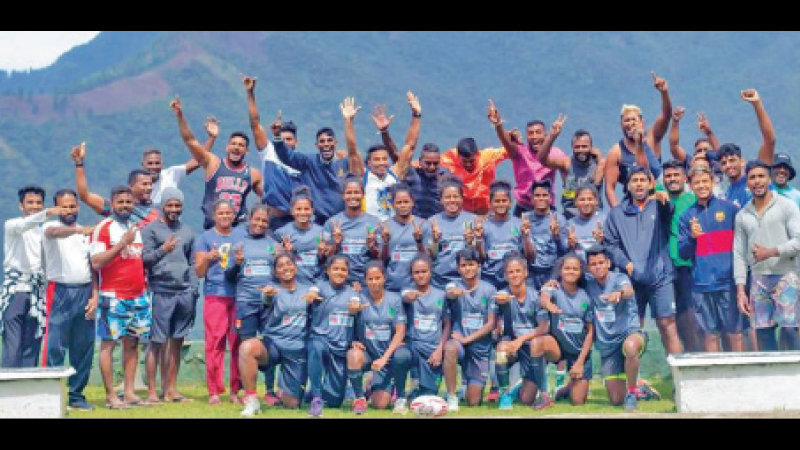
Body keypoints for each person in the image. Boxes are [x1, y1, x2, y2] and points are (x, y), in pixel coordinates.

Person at [604, 166, 683, 357]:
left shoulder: (660, 205)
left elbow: (668, 210)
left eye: (643, 180)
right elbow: (610, 245)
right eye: (634, 180)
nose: (639, 184)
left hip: (660, 277)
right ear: (628, 186)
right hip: (631, 281)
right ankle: (633, 383)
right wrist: (627, 264)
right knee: (632, 329)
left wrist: (663, 199)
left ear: (650, 184)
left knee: (667, 325)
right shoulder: (616, 214)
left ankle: (679, 381)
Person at [90, 186, 150, 409]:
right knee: (108, 345)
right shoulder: (103, 229)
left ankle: (129, 392)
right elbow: (96, 262)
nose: (125, 206)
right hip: (113, 296)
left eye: (128, 202)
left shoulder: (135, 228)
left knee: (133, 344)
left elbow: (137, 260)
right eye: (120, 202)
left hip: (138, 296)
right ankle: (110, 396)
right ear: (112, 204)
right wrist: (122, 243)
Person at [734, 161, 800, 352]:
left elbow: (798, 241)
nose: (757, 181)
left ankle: (795, 377)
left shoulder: (786, 206)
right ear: (747, 183)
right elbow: (738, 254)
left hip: (786, 276)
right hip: (758, 280)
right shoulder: (742, 215)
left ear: (769, 179)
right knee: (763, 333)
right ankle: (771, 380)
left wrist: (770, 252)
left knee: (789, 331)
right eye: (752, 178)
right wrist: (740, 291)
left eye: (761, 176)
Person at [169, 97, 264, 230]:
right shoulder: (213, 163)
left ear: (246, 151)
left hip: (239, 228)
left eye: (241, 145)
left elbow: (268, 199)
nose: (236, 147)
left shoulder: (253, 173)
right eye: (233, 144)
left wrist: (258, 221)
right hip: (212, 227)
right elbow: (191, 141)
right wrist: (180, 115)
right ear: (227, 147)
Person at [677, 166, 745, 352]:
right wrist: (692, 237)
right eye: (696, 182)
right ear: (690, 186)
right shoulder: (686, 217)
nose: (701, 186)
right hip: (702, 284)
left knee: (735, 332)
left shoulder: (731, 210)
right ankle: (716, 380)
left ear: (713, 182)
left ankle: (738, 375)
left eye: (705, 181)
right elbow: (683, 253)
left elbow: (741, 246)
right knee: (710, 333)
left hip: (728, 282)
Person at [41, 189, 96, 410]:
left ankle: (75, 395)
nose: (69, 210)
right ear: (56, 209)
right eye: (64, 206)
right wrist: (81, 230)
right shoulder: (48, 227)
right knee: (55, 346)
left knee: (83, 346)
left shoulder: (86, 235)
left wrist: (95, 294)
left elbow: (94, 266)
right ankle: (49, 395)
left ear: (78, 207)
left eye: (72, 206)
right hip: (59, 291)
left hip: (84, 291)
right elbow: (56, 232)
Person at [141, 187, 198, 403]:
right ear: (162, 206)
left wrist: (193, 288)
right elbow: (144, 260)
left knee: (177, 342)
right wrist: (163, 249)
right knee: (156, 342)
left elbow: (192, 262)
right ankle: (153, 392)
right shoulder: (151, 230)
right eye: (170, 205)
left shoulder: (187, 231)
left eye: (178, 205)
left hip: (184, 291)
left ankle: (171, 389)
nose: (174, 209)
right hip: (161, 290)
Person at [238, 254, 313, 416]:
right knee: (247, 347)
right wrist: (268, 295)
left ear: (296, 267)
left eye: (289, 263)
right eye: (280, 266)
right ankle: (252, 400)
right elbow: (266, 299)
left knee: (292, 404)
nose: (286, 268)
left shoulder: (308, 290)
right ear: (276, 272)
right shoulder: (271, 289)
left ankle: (285, 385)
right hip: (273, 346)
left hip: (297, 351)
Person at [272, 97, 366, 226]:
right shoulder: (308, 162)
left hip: (343, 222)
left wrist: (348, 121)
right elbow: (287, 156)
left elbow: (352, 150)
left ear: (335, 143)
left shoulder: (344, 164)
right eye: (322, 141)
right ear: (316, 145)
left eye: (329, 140)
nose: (326, 144)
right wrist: (277, 137)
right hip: (317, 223)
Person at [225, 204, 283, 406]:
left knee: (270, 346)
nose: (259, 224)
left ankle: (269, 390)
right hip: (246, 304)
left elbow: (283, 274)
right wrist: (237, 263)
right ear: (249, 219)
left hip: (269, 304)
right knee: (247, 347)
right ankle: (247, 390)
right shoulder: (239, 245)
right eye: (256, 219)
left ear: (268, 224)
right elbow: (229, 276)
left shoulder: (275, 246)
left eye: (264, 221)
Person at [2, 186, 65, 368]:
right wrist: (47, 213)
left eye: (38, 203)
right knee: (13, 343)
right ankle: (9, 388)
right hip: (16, 290)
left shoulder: (43, 231)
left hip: (37, 291)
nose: (35, 206)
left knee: (33, 342)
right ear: (21, 206)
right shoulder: (13, 225)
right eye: (30, 203)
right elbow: (25, 224)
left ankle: (28, 388)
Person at [193, 199, 248, 405]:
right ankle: (214, 390)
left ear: (234, 216)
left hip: (238, 295)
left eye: (228, 213)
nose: (225, 217)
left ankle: (236, 389)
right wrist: (208, 258)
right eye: (221, 213)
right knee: (215, 343)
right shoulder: (205, 238)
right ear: (214, 216)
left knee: (236, 343)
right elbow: (198, 272)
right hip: (215, 294)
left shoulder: (242, 235)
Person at [583, 245, 647, 411]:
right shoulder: (588, 284)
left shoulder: (620, 278)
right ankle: (641, 389)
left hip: (629, 333)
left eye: (601, 262)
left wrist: (619, 294)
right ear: (589, 268)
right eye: (593, 264)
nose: (598, 267)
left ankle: (632, 393)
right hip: (608, 346)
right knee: (616, 399)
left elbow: (629, 290)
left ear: (608, 263)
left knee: (631, 347)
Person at [346, 261, 411, 414]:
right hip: (368, 354)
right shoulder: (359, 298)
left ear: (384, 278)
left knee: (381, 404)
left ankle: (395, 392)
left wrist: (384, 358)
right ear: (365, 280)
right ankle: (359, 398)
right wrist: (352, 341)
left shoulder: (394, 300)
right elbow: (349, 314)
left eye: (377, 278)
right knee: (353, 355)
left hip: (387, 356)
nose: (374, 282)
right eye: (370, 279)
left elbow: (400, 331)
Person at [243, 75, 304, 233]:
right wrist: (250, 93)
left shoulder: (302, 162)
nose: (285, 142)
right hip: (271, 219)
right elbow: (255, 124)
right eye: (282, 138)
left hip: (295, 220)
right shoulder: (269, 152)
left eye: (289, 139)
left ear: (296, 141)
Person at [305, 255, 364, 417]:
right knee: (315, 347)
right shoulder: (320, 287)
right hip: (322, 342)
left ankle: (324, 392)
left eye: (343, 269)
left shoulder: (353, 292)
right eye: (335, 269)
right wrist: (310, 295)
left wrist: (355, 308)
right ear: (328, 271)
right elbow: (312, 291)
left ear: (348, 272)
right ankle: (316, 398)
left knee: (334, 401)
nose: (339, 272)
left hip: (340, 350)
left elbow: (355, 303)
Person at [604, 72, 673, 208]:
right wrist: (618, 215)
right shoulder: (616, 152)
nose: (630, 123)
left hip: (658, 199)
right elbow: (610, 188)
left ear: (642, 123)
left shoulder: (652, 138)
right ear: (621, 124)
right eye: (627, 120)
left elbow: (666, 116)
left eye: (634, 120)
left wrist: (664, 93)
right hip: (633, 205)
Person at [487, 100, 568, 217]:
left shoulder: (556, 153)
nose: (534, 136)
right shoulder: (520, 152)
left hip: (547, 206)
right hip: (523, 207)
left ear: (545, 134)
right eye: (531, 133)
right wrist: (498, 124)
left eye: (538, 132)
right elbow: (507, 143)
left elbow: (568, 170)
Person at [442, 247, 498, 411]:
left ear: (479, 266)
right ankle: (451, 396)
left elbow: (490, 324)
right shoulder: (454, 285)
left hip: (479, 348)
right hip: (458, 344)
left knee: (473, 401)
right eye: (464, 265)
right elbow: (449, 292)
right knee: (450, 347)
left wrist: (467, 339)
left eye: (471, 264)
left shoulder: (489, 290)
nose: (468, 268)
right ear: (459, 268)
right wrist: (454, 293)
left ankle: (467, 387)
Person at [492, 254, 549, 410]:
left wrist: (521, 340)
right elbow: (494, 325)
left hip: (531, 347)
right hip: (512, 346)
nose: (515, 275)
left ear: (525, 272)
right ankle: (504, 394)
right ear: (505, 275)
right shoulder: (500, 296)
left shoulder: (535, 296)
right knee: (502, 348)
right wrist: (501, 308)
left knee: (526, 399)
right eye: (510, 272)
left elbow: (543, 327)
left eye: (518, 271)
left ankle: (518, 387)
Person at [536, 254, 594, 406]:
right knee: (538, 343)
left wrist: (580, 362)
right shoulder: (553, 287)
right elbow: (544, 297)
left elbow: (590, 333)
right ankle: (543, 394)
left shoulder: (586, 297)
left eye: (575, 269)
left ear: (581, 272)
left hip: (578, 352)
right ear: (560, 271)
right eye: (567, 268)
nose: (571, 271)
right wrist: (549, 305)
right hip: (559, 349)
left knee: (577, 401)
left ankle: (565, 389)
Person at [355, 92, 422, 221]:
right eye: (376, 159)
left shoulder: (394, 174)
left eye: (384, 159)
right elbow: (352, 150)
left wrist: (416, 115)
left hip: (393, 230)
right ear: (368, 163)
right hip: (370, 231)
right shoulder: (364, 176)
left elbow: (410, 146)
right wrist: (349, 120)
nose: (381, 163)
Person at [393, 255, 451, 402]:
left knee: (428, 397)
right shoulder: (407, 293)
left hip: (432, 350)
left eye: (424, 271)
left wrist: (440, 349)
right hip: (413, 347)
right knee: (400, 355)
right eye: (416, 272)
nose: (420, 275)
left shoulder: (441, 295)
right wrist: (408, 297)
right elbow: (405, 296)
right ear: (411, 275)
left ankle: (419, 390)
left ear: (430, 272)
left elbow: (447, 324)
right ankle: (399, 396)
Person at [662, 159, 702, 353]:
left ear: (685, 178)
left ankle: (697, 360)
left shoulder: (694, 200)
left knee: (692, 318)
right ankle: (679, 367)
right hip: (667, 268)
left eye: (676, 175)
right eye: (668, 176)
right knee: (672, 320)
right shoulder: (660, 201)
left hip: (690, 265)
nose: (672, 179)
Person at [532, 115, 606, 219]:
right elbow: (542, 159)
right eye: (577, 147)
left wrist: (600, 159)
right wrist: (552, 136)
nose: (581, 150)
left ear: (591, 147)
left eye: (584, 146)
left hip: (594, 213)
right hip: (571, 213)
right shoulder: (567, 163)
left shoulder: (600, 163)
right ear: (572, 147)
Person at [71, 143, 160, 227]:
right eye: (144, 184)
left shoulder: (156, 210)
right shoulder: (118, 207)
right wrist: (79, 164)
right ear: (131, 186)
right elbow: (84, 196)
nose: (149, 188)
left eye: (150, 184)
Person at [718, 89, 776, 208]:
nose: (728, 165)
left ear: (742, 161)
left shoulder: (756, 177)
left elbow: (769, 140)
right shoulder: (727, 195)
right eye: (724, 163)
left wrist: (757, 104)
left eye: (732, 160)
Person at [475, 180, 534, 291]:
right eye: (497, 201)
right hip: (490, 279)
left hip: (514, 280)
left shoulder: (519, 224)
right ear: (490, 203)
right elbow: (480, 258)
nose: (501, 204)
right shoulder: (484, 226)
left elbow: (530, 256)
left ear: (510, 202)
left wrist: (526, 237)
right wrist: (478, 239)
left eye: (504, 200)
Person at [322, 176, 382, 284]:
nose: (353, 196)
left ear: (363, 195)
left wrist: (372, 247)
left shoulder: (374, 223)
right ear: (343, 196)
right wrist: (336, 244)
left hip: (367, 282)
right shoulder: (332, 223)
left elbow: (381, 258)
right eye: (349, 193)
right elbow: (325, 259)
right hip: (341, 282)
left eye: (356, 192)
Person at [380, 183, 432, 294]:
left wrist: (419, 241)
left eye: (406, 202)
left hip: (417, 286)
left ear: (412, 203)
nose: (403, 205)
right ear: (392, 205)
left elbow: (428, 257)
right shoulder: (385, 226)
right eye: (399, 202)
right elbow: (382, 260)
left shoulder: (423, 225)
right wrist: (385, 242)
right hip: (393, 286)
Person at [428, 177, 477, 289]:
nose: (452, 200)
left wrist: (471, 242)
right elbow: (431, 255)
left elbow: (477, 254)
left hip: (465, 281)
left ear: (462, 198)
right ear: (441, 200)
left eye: (455, 196)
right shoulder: (433, 222)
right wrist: (435, 241)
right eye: (447, 197)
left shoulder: (471, 220)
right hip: (440, 281)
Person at [440, 137, 507, 216]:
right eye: (464, 161)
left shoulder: (488, 157)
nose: (468, 164)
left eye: (472, 161)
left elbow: (510, 150)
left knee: (484, 225)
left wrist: (509, 138)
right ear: (458, 157)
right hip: (462, 207)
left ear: (477, 154)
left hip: (484, 205)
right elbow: (430, 162)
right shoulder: (448, 159)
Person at [275, 186, 328, 286]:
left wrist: (323, 255)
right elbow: (270, 251)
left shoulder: (321, 232)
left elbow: (327, 262)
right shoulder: (282, 233)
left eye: (306, 209)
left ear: (312, 210)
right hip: (293, 286)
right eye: (298, 209)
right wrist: (284, 253)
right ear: (292, 211)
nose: (302, 212)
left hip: (317, 285)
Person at [521, 180, 569, 290]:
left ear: (550, 198)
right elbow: (526, 255)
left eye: (544, 195)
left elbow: (565, 251)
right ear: (532, 199)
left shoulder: (559, 219)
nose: (541, 198)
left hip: (553, 273)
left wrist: (557, 236)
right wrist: (526, 236)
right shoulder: (525, 219)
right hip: (531, 273)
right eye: (537, 195)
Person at [563, 185, 607, 264]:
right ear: (575, 202)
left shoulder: (605, 220)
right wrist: (570, 245)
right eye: (582, 200)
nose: (586, 203)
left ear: (596, 201)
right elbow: (564, 251)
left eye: (590, 199)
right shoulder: (570, 224)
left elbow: (612, 248)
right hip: (579, 271)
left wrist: (602, 241)